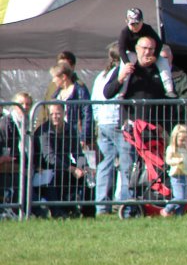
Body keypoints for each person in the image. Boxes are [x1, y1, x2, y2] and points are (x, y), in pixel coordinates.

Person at [103, 36, 169, 201]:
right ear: (136, 49)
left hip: (153, 131)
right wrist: (121, 77)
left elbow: (168, 100)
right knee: (128, 168)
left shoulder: (160, 70)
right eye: (144, 48)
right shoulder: (126, 67)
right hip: (130, 131)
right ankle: (127, 205)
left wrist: (163, 125)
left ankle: (148, 204)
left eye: (151, 49)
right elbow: (107, 92)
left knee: (152, 170)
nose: (147, 52)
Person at [32, 103, 88, 218]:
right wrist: (72, 169)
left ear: (64, 113)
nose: (55, 116)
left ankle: (87, 212)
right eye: (52, 114)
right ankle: (59, 212)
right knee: (57, 175)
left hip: (65, 165)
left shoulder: (70, 129)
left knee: (87, 177)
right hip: (45, 168)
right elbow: (50, 157)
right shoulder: (43, 131)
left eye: (58, 113)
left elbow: (78, 153)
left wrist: (83, 167)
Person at [91, 43, 122, 215]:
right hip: (116, 121)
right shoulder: (121, 74)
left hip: (102, 122)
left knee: (105, 164)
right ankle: (120, 201)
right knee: (126, 162)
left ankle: (101, 205)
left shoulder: (101, 76)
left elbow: (94, 101)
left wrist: (98, 120)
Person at [118, 7, 176, 97]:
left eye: (137, 23)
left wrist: (155, 57)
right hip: (132, 53)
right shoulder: (125, 32)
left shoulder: (147, 28)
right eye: (132, 24)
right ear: (126, 21)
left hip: (149, 53)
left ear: (142, 21)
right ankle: (122, 92)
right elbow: (121, 49)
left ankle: (169, 89)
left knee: (163, 61)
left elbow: (159, 43)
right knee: (126, 66)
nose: (135, 26)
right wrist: (127, 63)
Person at [1, 92, 33, 215]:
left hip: (23, 163)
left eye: (28, 104)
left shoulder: (28, 122)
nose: (24, 107)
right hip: (9, 163)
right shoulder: (6, 123)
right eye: (21, 104)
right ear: (14, 105)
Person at [50, 61, 94, 148]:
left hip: (75, 133)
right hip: (60, 133)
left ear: (63, 77)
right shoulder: (57, 94)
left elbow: (87, 114)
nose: (53, 80)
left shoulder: (80, 90)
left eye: (55, 77)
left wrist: (83, 137)